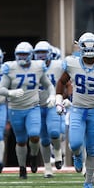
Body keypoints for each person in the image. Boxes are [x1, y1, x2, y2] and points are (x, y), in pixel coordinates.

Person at [55, 32, 94, 188]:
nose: (89, 50)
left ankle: (88, 183)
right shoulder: (72, 63)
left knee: (92, 150)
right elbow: (61, 82)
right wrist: (58, 100)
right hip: (78, 110)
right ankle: (76, 156)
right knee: (75, 144)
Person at [0, 42, 54, 178]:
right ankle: (22, 167)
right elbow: (1, 89)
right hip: (15, 108)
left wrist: (53, 95)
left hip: (32, 107)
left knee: (35, 135)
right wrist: (10, 93)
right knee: (21, 140)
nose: (22, 57)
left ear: (30, 55)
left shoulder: (38, 67)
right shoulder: (10, 68)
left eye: (24, 54)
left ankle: (33, 155)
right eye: (20, 54)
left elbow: (48, 85)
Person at [35, 41, 65, 177]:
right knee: (44, 139)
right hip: (37, 105)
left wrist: (62, 98)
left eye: (43, 53)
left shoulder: (58, 65)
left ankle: (58, 151)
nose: (41, 56)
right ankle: (47, 167)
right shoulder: (32, 67)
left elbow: (67, 82)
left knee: (54, 132)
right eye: (38, 53)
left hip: (52, 104)